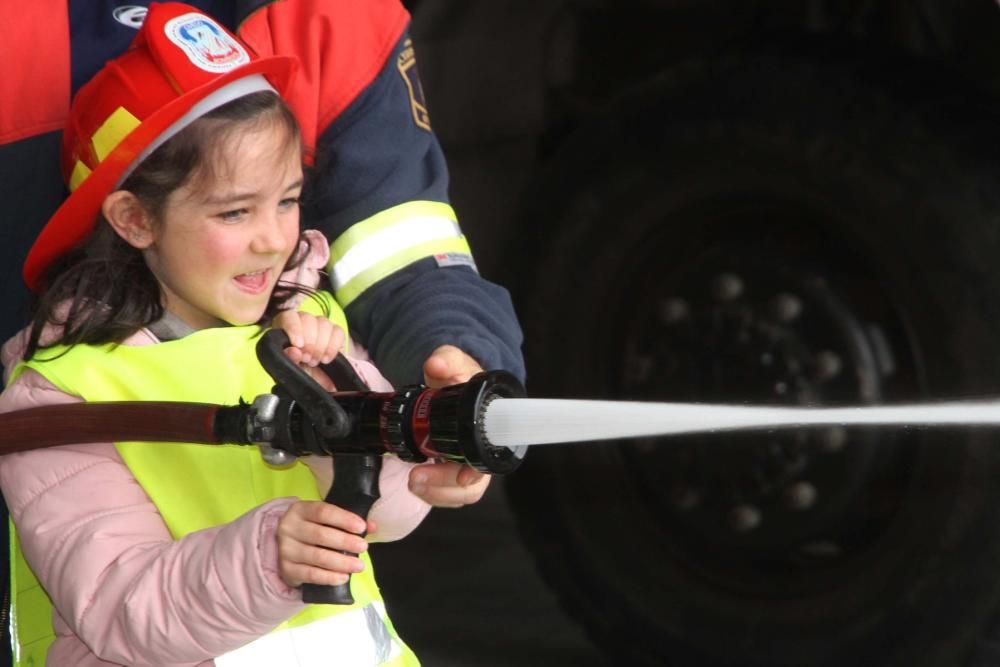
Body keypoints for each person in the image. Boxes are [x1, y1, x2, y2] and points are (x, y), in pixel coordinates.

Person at [0, 4, 484, 664]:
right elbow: (119, 608)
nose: (273, 238)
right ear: (135, 220)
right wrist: (271, 558)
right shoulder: (60, 393)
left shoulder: (309, 331)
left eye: (288, 200)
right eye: (235, 210)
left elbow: (395, 513)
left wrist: (365, 422)